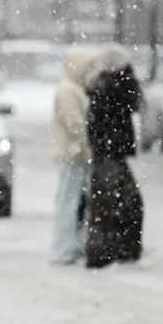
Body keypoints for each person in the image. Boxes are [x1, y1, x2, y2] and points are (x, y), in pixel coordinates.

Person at [84, 43, 144, 269]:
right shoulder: (111, 89)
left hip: (110, 154)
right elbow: (103, 124)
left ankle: (112, 252)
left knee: (114, 204)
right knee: (111, 205)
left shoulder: (110, 88)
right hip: (109, 154)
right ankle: (109, 253)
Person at [50, 45, 98, 265]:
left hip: (78, 154)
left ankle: (75, 246)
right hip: (74, 155)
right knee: (69, 203)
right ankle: (64, 249)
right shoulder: (68, 91)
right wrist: (88, 142)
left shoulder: (74, 89)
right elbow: (75, 124)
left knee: (78, 202)